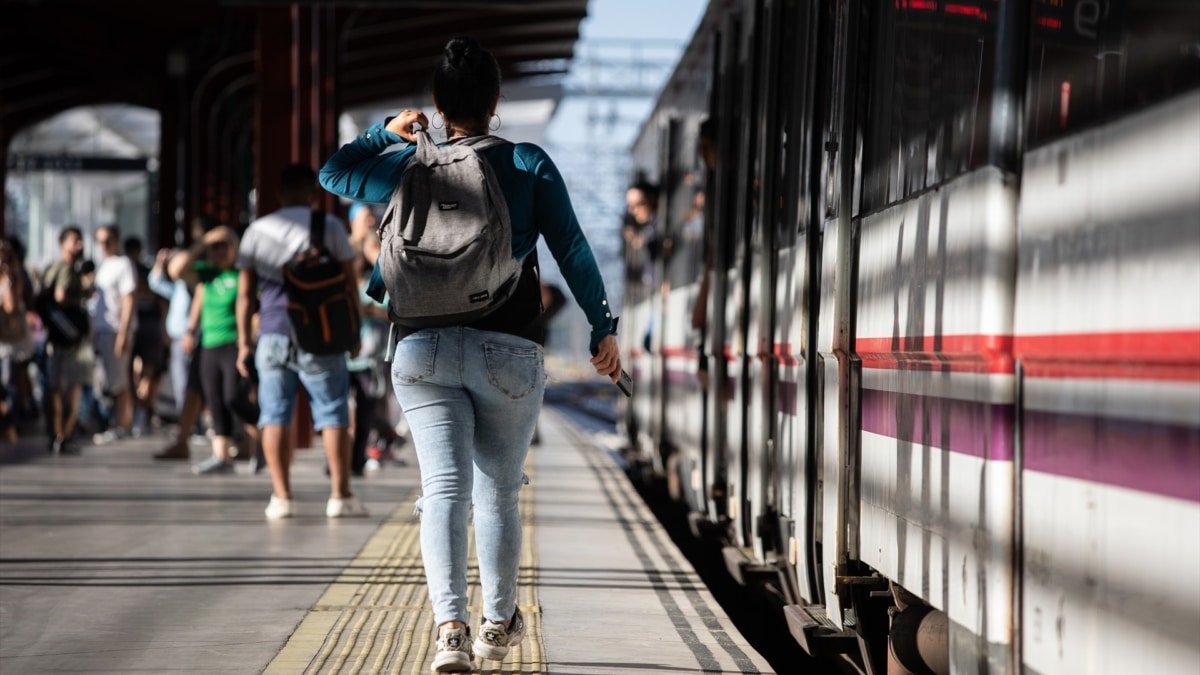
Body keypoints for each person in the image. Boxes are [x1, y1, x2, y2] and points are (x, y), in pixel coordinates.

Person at [319, 36, 623, 673]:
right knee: (499, 492)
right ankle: (495, 623)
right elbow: (572, 250)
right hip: (508, 353)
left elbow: (333, 174)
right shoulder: (529, 162)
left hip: (421, 348)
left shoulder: (409, 163)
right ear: (497, 101)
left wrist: (386, 132)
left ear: (435, 103)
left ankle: (449, 628)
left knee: (443, 490)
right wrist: (602, 328)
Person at [236, 163, 366, 519]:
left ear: (279, 193)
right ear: (312, 192)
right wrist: (352, 332)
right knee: (332, 413)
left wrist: (245, 343)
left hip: (273, 332)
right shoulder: (330, 226)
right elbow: (348, 286)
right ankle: (340, 497)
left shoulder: (257, 230)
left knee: (274, 413)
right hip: (322, 331)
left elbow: (246, 294)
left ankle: (281, 498)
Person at [40, 227, 93, 454]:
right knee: (73, 387)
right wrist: (83, 294)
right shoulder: (67, 269)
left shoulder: (51, 268)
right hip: (70, 340)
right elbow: (61, 296)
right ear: (63, 244)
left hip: (56, 337)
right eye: (75, 241)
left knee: (55, 388)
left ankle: (56, 434)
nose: (80, 245)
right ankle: (65, 435)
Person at [91, 225, 138, 443]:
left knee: (119, 381)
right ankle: (119, 422)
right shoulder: (103, 266)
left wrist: (123, 332)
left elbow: (128, 299)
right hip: (102, 330)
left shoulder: (123, 264)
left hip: (115, 329)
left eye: (108, 240)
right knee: (108, 381)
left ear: (116, 240)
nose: (104, 245)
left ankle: (123, 424)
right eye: (100, 241)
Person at [124, 236, 168, 436]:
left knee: (147, 373)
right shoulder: (126, 272)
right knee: (135, 373)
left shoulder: (147, 273)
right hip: (138, 327)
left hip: (148, 326)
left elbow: (161, 303)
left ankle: (141, 412)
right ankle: (138, 411)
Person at [0, 239, 33, 444]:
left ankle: (11, 423)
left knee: (8, 382)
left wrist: (7, 279)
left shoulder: (15, 278)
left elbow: (12, 306)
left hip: (9, 341)